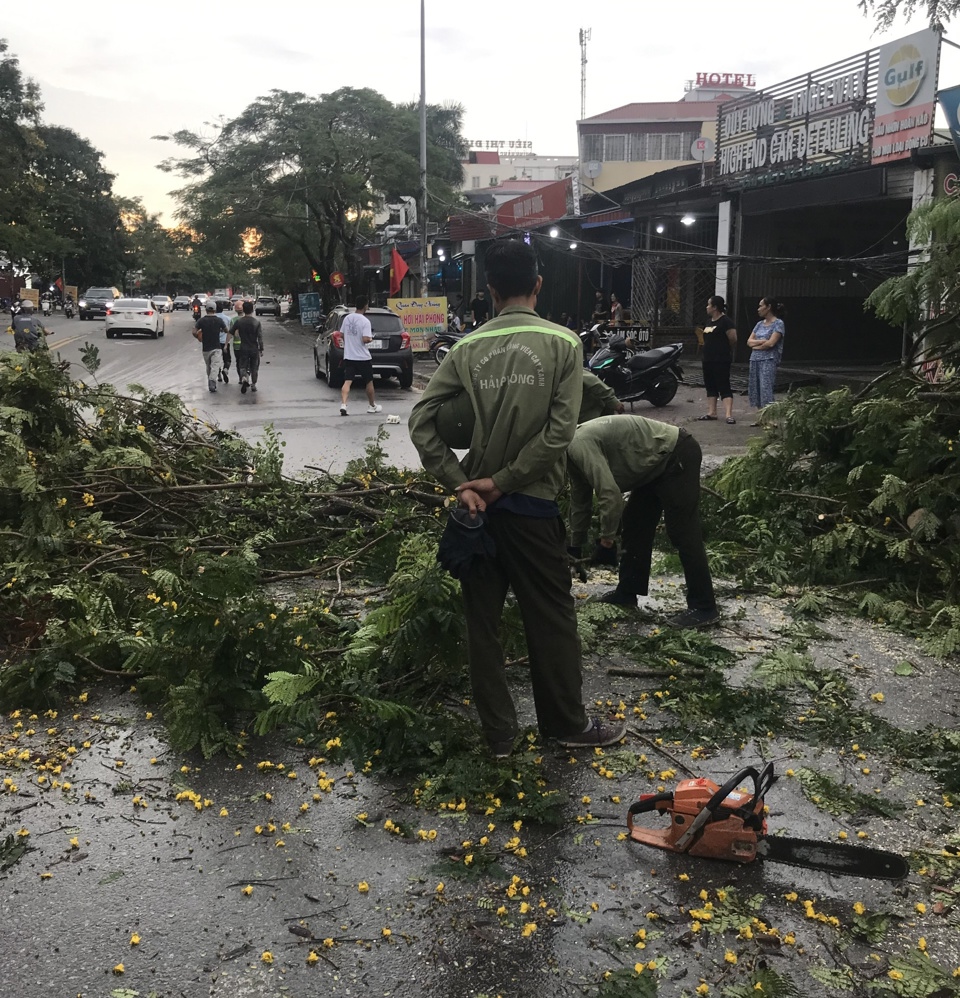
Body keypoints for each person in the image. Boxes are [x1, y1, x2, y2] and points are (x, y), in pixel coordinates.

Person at [408, 238, 627, 758]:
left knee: (481, 628)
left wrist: (461, 481)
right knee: (550, 619)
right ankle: (565, 724)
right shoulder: (564, 344)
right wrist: (506, 481)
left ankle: (499, 737)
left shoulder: (464, 348)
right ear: (538, 284)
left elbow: (421, 422)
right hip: (530, 507)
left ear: (488, 290)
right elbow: (559, 433)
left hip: (475, 515)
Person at [567, 414, 719, 628]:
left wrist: (607, 541)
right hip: (652, 466)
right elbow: (580, 499)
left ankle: (704, 606)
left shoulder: (577, 445)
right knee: (635, 522)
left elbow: (609, 494)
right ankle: (628, 591)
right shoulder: (570, 453)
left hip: (677, 453)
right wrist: (575, 546)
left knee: (683, 531)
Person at [697, 296, 738, 424]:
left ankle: (728, 414)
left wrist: (722, 348)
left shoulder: (726, 321)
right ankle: (712, 412)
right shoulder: (709, 322)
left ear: (715, 307)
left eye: (709, 305)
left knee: (723, 385)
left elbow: (733, 338)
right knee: (710, 385)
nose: (707, 307)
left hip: (721, 359)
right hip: (708, 359)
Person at [339, 295, 382, 415]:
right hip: (363, 357)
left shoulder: (347, 318)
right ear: (365, 306)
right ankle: (372, 405)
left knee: (347, 381)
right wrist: (371, 339)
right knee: (369, 381)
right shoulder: (365, 321)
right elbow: (365, 339)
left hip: (349, 356)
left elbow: (341, 334)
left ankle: (343, 404)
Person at [747, 296, 785, 418]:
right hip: (755, 359)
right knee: (756, 387)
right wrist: (761, 342)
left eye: (760, 306)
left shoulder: (778, 323)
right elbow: (749, 342)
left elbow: (771, 343)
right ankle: (761, 417)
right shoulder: (759, 324)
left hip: (768, 360)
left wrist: (757, 344)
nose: (758, 309)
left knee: (766, 388)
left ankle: (770, 418)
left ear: (768, 307)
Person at [234, 300, 265, 394]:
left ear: (243, 309)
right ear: (252, 310)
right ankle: (253, 384)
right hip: (254, 348)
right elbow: (260, 337)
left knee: (243, 366)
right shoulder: (256, 322)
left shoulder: (239, 321)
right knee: (254, 367)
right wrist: (261, 348)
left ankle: (244, 377)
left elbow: (232, 332)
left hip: (243, 347)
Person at [194, 301, 224, 392]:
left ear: (206, 309)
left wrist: (198, 337)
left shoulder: (201, 321)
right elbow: (226, 330)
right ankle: (212, 381)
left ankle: (211, 381)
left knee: (208, 365)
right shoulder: (219, 320)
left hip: (206, 348)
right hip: (216, 347)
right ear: (215, 310)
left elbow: (194, 331)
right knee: (215, 365)